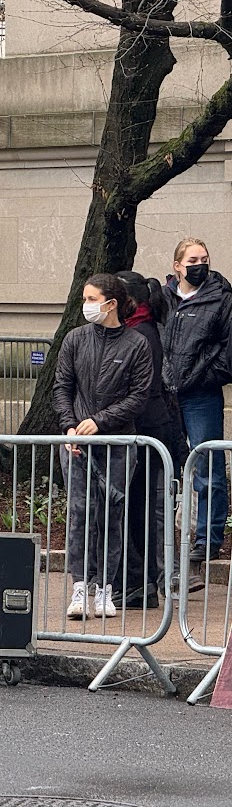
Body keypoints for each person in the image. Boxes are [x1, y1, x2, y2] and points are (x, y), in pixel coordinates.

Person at [53, 273, 153, 620]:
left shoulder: (136, 344)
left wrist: (101, 421)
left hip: (116, 443)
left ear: (110, 304)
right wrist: (70, 426)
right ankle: (80, 585)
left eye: (91, 299)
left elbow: (139, 396)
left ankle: (105, 589)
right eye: (84, 298)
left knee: (112, 514)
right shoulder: (75, 339)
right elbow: (61, 387)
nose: (86, 305)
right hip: (76, 444)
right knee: (79, 513)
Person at [162, 238, 232, 574]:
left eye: (204, 258)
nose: (199, 264)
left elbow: (227, 353)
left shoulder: (221, 299)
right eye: (192, 259)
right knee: (165, 465)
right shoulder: (163, 299)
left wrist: (199, 377)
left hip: (201, 394)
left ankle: (207, 538)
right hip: (166, 394)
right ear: (177, 265)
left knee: (208, 468)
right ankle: (165, 539)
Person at [117, 271, 187, 608]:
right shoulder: (140, 330)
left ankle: (138, 582)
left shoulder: (140, 335)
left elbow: (138, 392)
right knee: (138, 507)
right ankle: (138, 582)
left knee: (137, 508)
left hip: (143, 429)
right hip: (146, 428)